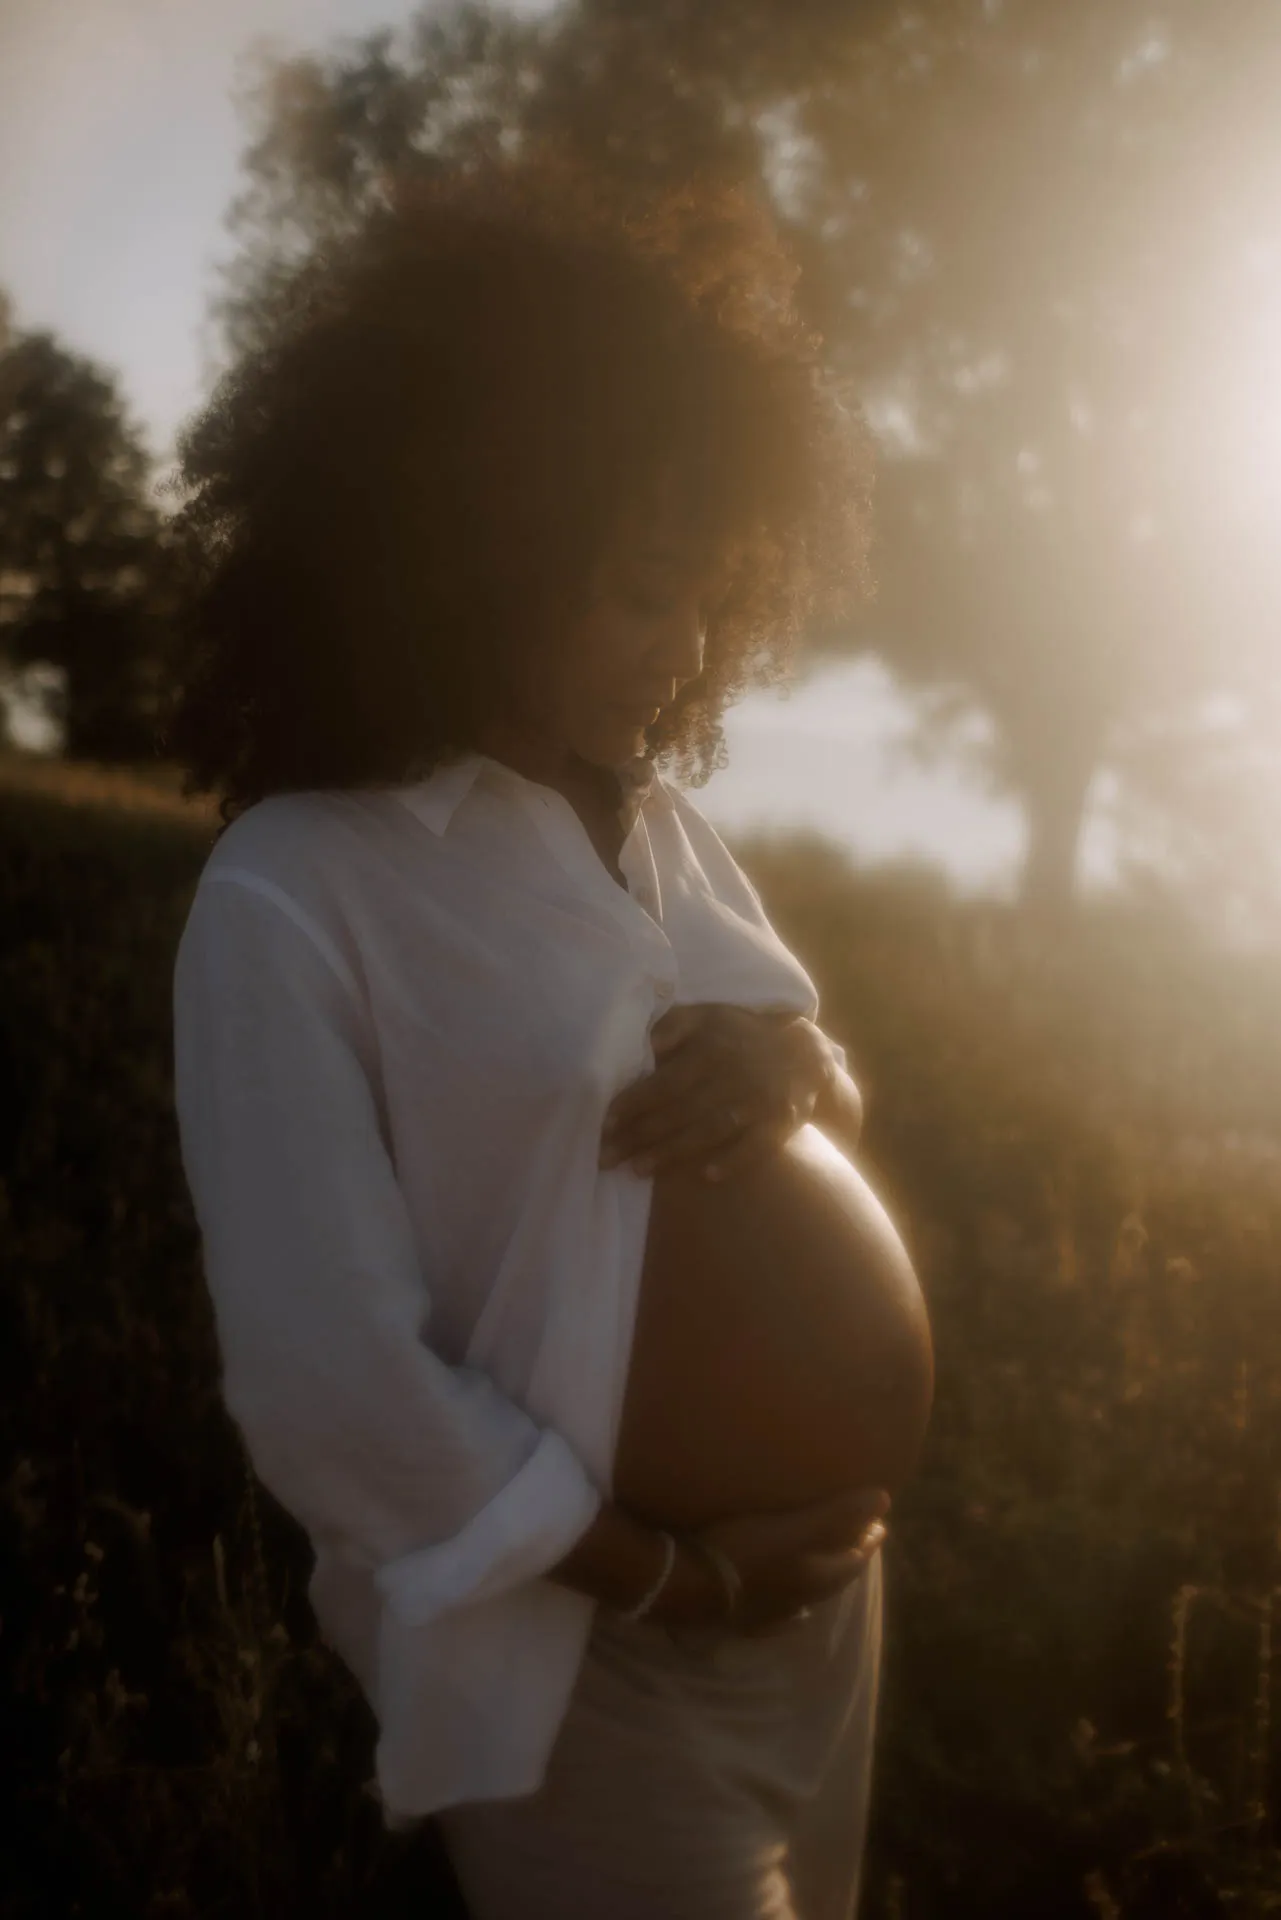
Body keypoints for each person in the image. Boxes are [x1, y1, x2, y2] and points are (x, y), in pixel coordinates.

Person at [166, 155, 931, 1919]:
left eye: (702, 596)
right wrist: (682, 1578)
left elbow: (813, 1073)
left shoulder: (651, 821)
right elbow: (330, 1390)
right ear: (473, 550)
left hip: (826, 1620)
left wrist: (804, 1070)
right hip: (592, 1660)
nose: (677, 656)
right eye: (637, 590)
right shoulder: (299, 891)